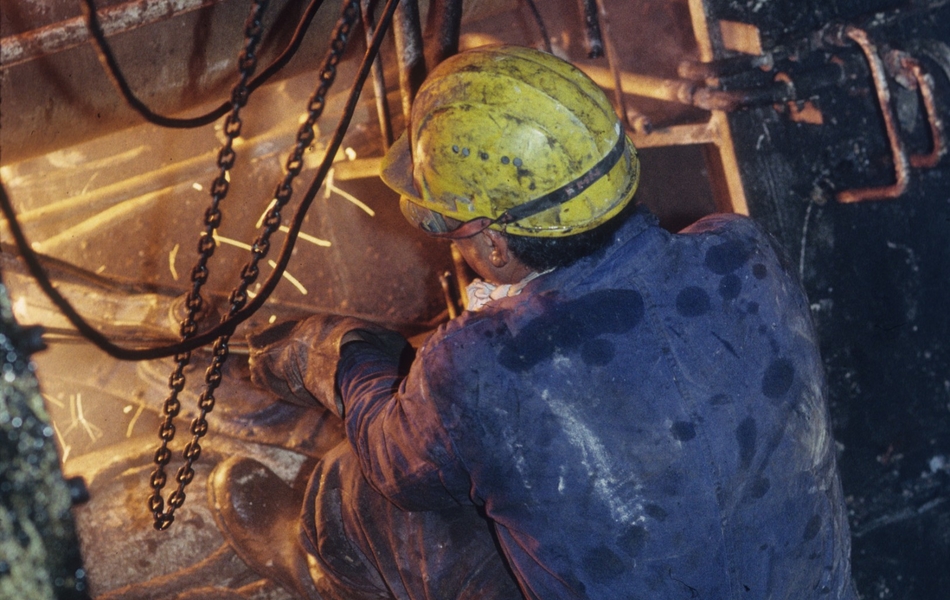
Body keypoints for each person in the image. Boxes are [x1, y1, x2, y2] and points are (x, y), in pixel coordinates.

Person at [210, 44, 858, 599]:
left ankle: (303, 544)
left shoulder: (474, 367)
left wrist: (348, 356)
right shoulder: (742, 250)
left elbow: (391, 461)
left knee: (385, 502)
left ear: (493, 245)